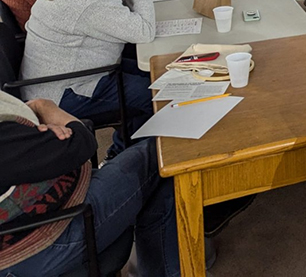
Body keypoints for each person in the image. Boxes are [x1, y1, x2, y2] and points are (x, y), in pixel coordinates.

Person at [0, 91, 181, 277]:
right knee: (162, 151)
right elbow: (81, 143)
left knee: (152, 170)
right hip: (45, 238)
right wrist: (45, 108)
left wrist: (34, 127)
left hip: (42, 211)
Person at [20, 0, 155, 156]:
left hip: (67, 78)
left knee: (157, 73)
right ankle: (129, 159)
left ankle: (124, 149)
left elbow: (124, 11)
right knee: (157, 95)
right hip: (66, 91)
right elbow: (143, 31)